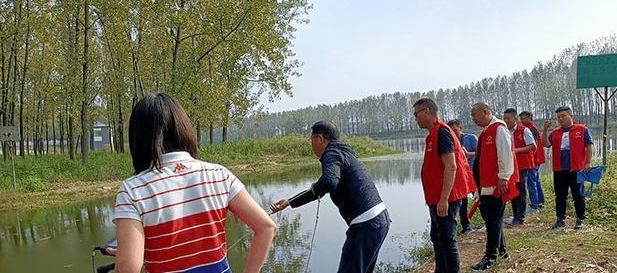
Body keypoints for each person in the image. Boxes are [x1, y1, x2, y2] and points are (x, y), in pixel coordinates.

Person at [113, 93, 276, 273]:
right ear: (183, 128)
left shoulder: (132, 190)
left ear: (138, 137)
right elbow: (266, 227)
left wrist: (132, 252)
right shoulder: (219, 174)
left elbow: (129, 267)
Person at [269, 121, 390, 273]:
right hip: (379, 219)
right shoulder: (342, 152)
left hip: (366, 223)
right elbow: (325, 186)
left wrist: (318, 185)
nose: (311, 144)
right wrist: (289, 202)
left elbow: (329, 181)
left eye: (312, 139)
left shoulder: (331, 153)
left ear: (320, 138)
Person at [414, 98, 476, 273]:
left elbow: (451, 166)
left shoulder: (442, 133)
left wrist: (443, 200)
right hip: (437, 196)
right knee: (437, 236)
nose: (415, 118)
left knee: (447, 240)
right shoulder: (433, 134)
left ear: (426, 111)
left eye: (416, 114)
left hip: (447, 197)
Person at [470, 102, 519, 270]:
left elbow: (506, 154)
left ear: (484, 112)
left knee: (492, 221)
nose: (473, 119)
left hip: (496, 185)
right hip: (485, 185)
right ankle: (503, 251)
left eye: (474, 115)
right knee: (493, 220)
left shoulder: (499, 129)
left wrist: (504, 178)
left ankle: (490, 257)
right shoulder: (486, 132)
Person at [542, 106, 594, 231]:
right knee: (560, 196)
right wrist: (544, 130)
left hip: (577, 168)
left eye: (563, 116)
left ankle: (580, 219)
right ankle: (560, 220)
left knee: (578, 195)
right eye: (558, 117)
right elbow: (546, 144)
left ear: (571, 116)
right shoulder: (555, 132)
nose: (561, 119)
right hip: (559, 169)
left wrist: (588, 162)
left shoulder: (582, 129)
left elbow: (589, 145)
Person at [503, 108, 536, 227]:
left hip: (522, 164)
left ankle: (520, 217)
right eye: (505, 119)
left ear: (515, 118)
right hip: (510, 165)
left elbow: (533, 146)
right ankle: (516, 215)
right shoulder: (504, 131)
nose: (506, 121)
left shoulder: (524, 130)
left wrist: (515, 151)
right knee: (513, 189)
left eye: (509, 118)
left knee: (520, 189)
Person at [447, 119, 479, 234]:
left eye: (455, 130)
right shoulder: (449, 141)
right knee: (462, 202)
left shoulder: (471, 138)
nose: (453, 133)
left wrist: (467, 154)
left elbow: (481, 153)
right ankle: (466, 227)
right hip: (461, 176)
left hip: (474, 173)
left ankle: (488, 222)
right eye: (450, 131)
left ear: (460, 128)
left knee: (480, 199)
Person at [519, 111, 546, 212]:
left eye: (524, 118)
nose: (522, 121)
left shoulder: (531, 129)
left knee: (531, 181)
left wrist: (530, 160)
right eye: (521, 119)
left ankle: (534, 205)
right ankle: (540, 202)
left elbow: (533, 146)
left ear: (530, 117)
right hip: (535, 159)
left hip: (534, 160)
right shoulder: (530, 128)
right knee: (536, 180)